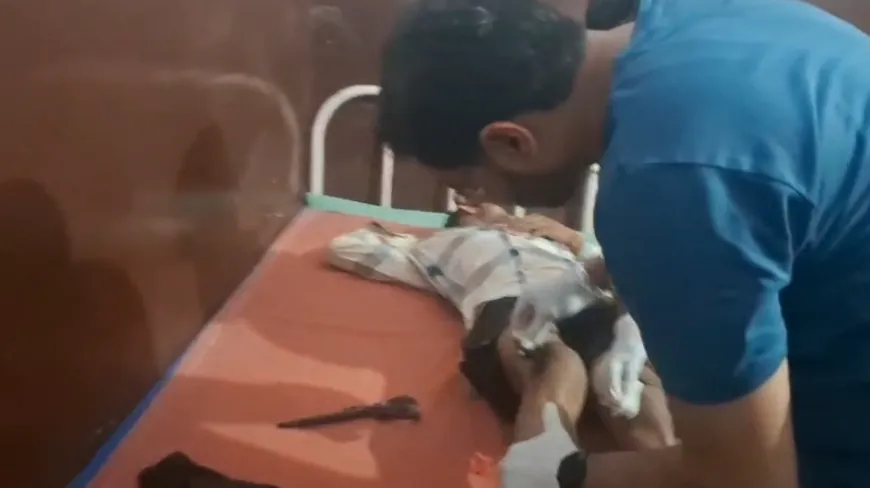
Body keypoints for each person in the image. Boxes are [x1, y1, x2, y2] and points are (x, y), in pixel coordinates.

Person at [374, 0, 870, 487]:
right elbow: (769, 193)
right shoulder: (701, 16)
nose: (482, 202)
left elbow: (746, 478)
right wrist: (591, 274)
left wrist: (555, 472)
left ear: (511, 142)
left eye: (472, 185)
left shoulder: (665, 191)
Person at [327, 203, 676, 453]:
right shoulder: (436, 245)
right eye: (476, 204)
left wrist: (574, 239)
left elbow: (623, 266)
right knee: (556, 364)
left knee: (630, 382)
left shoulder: (553, 241)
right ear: (465, 212)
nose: (498, 207)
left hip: (586, 301)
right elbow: (346, 249)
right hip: (508, 303)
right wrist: (401, 236)